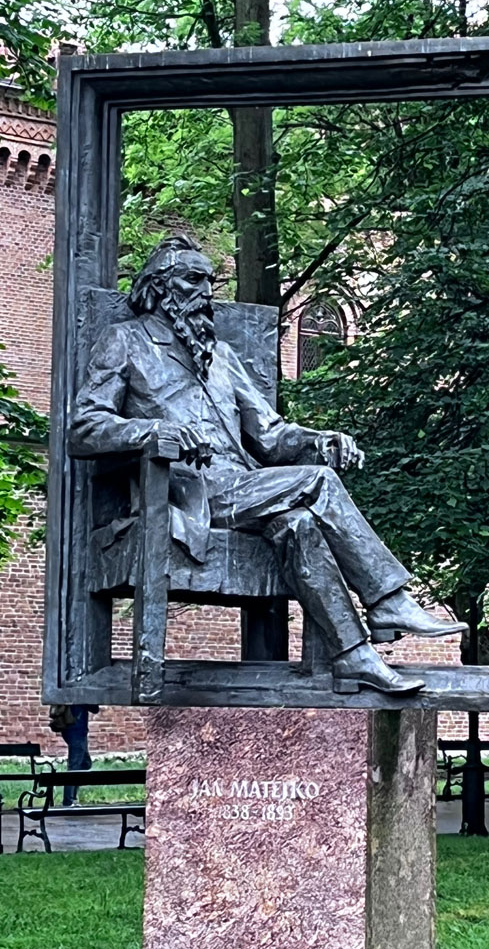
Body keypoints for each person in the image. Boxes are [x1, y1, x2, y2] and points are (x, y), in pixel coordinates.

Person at [70, 235, 466, 695]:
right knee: (318, 483)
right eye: (194, 279)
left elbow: (272, 436)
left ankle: (354, 656)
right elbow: (84, 426)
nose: (206, 292)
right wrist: (154, 431)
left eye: (210, 281)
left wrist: (319, 438)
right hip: (183, 493)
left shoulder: (221, 357)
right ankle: (388, 600)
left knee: (299, 524)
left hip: (243, 489)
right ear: (160, 286)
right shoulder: (125, 341)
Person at [50, 704, 100, 806]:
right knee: (74, 767)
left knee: (84, 763)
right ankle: (68, 801)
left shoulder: (74, 696)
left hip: (74, 729)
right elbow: (95, 708)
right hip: (76, 730)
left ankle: (71, 798)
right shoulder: (81, 696)